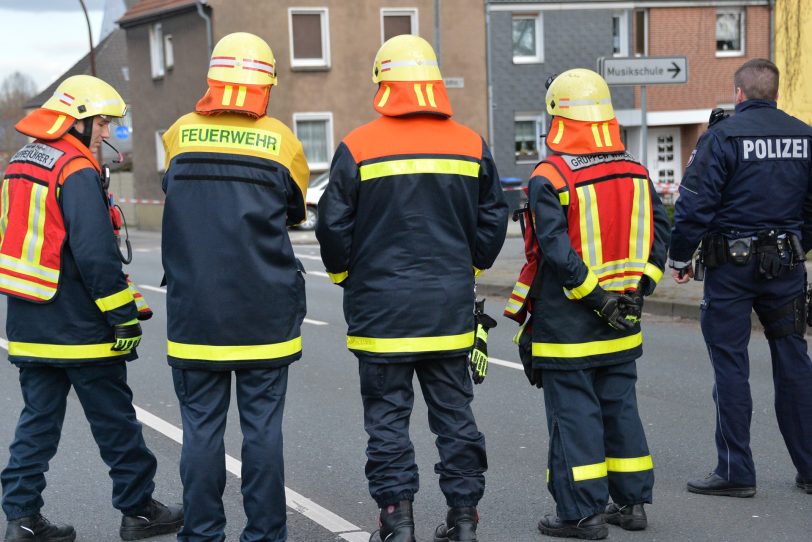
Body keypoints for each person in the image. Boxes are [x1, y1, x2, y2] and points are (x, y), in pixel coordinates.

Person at [316, 34, 508, 542]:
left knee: (387, 422)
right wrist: (471, 265)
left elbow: (332, 227)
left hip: (381, 314)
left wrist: (345, 276)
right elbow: (494, 216)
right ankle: (464, 519)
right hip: (447, 309)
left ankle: (397, 522)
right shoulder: (469, 143)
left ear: (384, 85)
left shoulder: (358, 145)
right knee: (455, 419)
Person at [0, 75, 183, 542]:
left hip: (28, 320)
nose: (106, 132)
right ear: (76, 120)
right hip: (80, 324)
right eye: (101, 122)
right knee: (115, 421)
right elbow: (96, 256)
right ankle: (139, 510)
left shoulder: (20, 161)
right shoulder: (75, 169)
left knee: (36, 424)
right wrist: (122, 318)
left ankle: (21, 518)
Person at [161, 32, 309, 542]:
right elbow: (293, 211)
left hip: (195, 311)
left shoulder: (179, 134)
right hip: (264, 313)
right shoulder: (283, 141)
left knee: (200, 430)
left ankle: (201, 533)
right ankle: (266, 534)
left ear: (213, 79)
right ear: (266, 83)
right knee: (262, 429)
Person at [519, 69, 669, 540]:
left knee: (575, 418)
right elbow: (661, 234)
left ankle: (580, 514)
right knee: (620, 410)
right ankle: (631, 505)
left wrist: (596, 298)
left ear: (559, 116)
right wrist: (639, 288)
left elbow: (557, 252)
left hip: (570, 326)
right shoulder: (636, 169)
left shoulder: (551, 175)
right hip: (624, 320)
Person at [669, 58, 812, 498]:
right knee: (793, 362)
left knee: (731, 365)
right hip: (786, 268)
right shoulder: (805, 137)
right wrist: (796, 245)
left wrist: (679, 257)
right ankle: (810, 468)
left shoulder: (723, 137)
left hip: (731, 270)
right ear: (776, 93)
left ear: (739, 94)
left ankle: (736, 471)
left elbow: (695, 205)